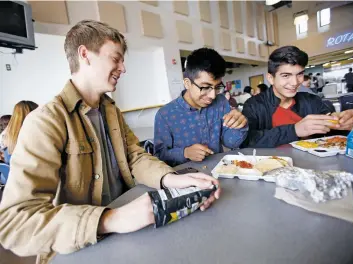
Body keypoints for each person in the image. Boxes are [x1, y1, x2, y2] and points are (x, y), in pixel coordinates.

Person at [0, 20, 221, 263]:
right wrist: (111, 219)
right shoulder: (45, 122)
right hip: (78, 250)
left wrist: (172, 179)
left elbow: (134, 156)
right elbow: (15, 223)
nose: (123, 68)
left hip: (126, 242)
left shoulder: (111, 111)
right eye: (115, 58)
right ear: (85, 55)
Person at [242, 46, 353, 148]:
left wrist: (343, 123)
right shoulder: (253, 105)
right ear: (271, 78)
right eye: (286, 75)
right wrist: (295, 130)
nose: (294, 82)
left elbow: (330, 131)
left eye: (299, 74)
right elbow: (247, 140)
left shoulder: (312, 100)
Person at [154, 48, 248, 167]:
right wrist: (185, 153)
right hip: (183, 179)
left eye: (217, 87)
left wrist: (240, 125)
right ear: (187, 83)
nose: (212, 95)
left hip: (218, 172)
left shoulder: (221, 102)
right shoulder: (165, 114)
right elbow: (159, 155)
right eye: (205, 87)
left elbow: (230, 142)